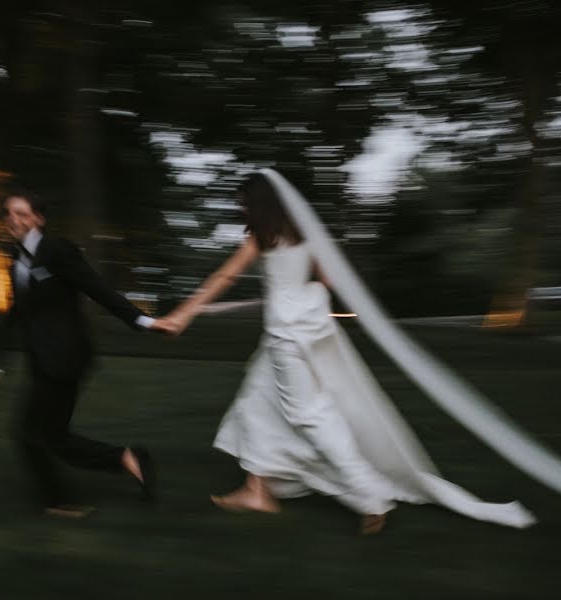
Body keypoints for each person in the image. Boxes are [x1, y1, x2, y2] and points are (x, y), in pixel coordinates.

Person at [158, 170, 535, 534]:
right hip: (303, 328)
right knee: (256, 402)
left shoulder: (261, 237)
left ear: (259, 204)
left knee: (310, 415)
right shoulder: (306, 233)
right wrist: (293, 287)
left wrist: (182, 314)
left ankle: (368, 493)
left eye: (243, 202)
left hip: (285, 337)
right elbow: (327, 280)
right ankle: (257, 491)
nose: (241, 208)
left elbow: (224, 277)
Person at [0, 187, 162, 518]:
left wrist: (142, 320)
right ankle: (128, 459)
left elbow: (96, 288)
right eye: (8, 213)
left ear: (39, 219)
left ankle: (58, 501)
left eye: (22, 213)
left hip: (67, 360)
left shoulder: (57, 250)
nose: (13, 219)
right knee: (54, 439)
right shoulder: (15, 260)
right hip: (42, 362)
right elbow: (17, 314)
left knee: (28, 434)